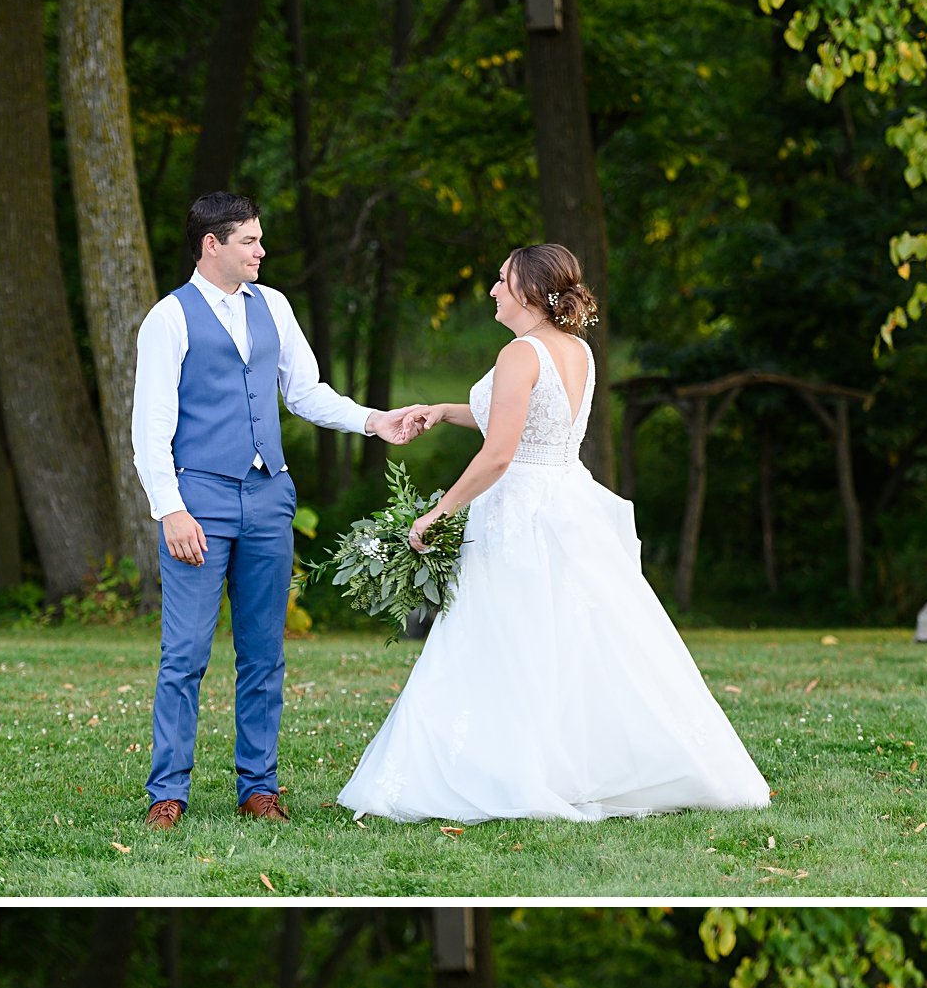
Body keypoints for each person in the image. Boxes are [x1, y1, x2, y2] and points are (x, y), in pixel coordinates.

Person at [341, 244, 772, 830]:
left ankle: (511, 771)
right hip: (566, 500)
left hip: (520, 507)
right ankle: (582, 764)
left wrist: (437, 513)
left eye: (500, 281)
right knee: (574, 637)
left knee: (504, 637)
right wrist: (444, 410)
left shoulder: (521, 353)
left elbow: (500, 452)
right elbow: (521, 417)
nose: (492, 290)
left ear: (528, 293)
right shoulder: (578, 351)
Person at [132, 186, 436, 823]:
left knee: (264, 652)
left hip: (269, 497)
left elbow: (305, 392)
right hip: (200, 500)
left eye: (260, 239)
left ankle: (259, 789)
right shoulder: (170, 318)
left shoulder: (273, 305)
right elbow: (149, 427)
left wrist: (374, 421)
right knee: (185, 653)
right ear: (212, 245)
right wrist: (172, 508)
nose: (261, 251)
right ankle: (168, 794)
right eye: (249, 241)